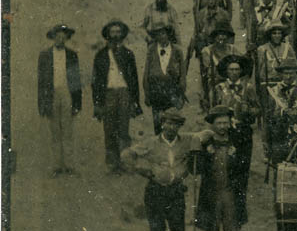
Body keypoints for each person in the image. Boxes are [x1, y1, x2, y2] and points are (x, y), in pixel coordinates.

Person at [121, 109, 200, 231]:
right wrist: (142, 170)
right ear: (162, 123)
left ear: (180, 126)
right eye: (168, 123)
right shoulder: (150, 143)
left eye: (175, 124)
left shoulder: (185, 142)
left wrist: (186, 171)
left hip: (176, 192)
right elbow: (126, 154)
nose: (171, 127)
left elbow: (203, 138)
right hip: (155, 192)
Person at [195, 105, 247, 231]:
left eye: (226, 122)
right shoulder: (205, 143)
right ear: (213, 124)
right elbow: (197, 168)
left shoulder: (237, 141)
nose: (223, 126)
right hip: (211, 195)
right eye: (219, 123)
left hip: (231, 195)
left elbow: (243, 168)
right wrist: (202, 151)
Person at [92, 20, 142, 174]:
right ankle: (112, 164)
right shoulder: (100, 55)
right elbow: (95, 81)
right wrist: (97, 103)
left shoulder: (128, 54)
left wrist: (135, 101)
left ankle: (126, 163)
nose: (115, 35)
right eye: (112, 32)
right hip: (108, 94)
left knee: (123, 130)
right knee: (109, 129)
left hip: (124, 93)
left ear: (122, 35)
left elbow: (134, 79)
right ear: (108, 35)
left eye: (118, 32)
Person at [38, 23, 82, 176]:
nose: (60, 38)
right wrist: (42, 104)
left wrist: (77, 103)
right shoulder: (45, 55)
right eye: (57, 35)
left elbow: (76, 81)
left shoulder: (71, 55)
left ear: (67, 38)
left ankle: (69, 166)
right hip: (52, 95)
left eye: (63, 36)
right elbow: (41, 82)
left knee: (68, 130)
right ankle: (56, 166)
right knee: (55, 131)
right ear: (53, 37)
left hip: (67, 93)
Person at [213, 54, 259, 193]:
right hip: (225, 131)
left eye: (237, 69)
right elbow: (212, 109)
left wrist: (249, 111)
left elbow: (257, 109)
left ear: (241, 71)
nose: (234, 72)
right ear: (226, 71)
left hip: (243, 130)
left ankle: (241, 194)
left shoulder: (248, 88)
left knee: (242, 164)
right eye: (231, 69)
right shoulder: (219, 88)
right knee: (226, 164)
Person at [142, 24, 186, 134]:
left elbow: (183, 76)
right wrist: (147, 94)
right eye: (157, 34)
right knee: (158, 123)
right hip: (156, 92)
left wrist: (181, 94)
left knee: (172, 122)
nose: (161, 37)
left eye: (163, 33)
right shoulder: (151, 50)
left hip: (172, 93)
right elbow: (146, 74)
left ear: (168, 34)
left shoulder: (177, 50)